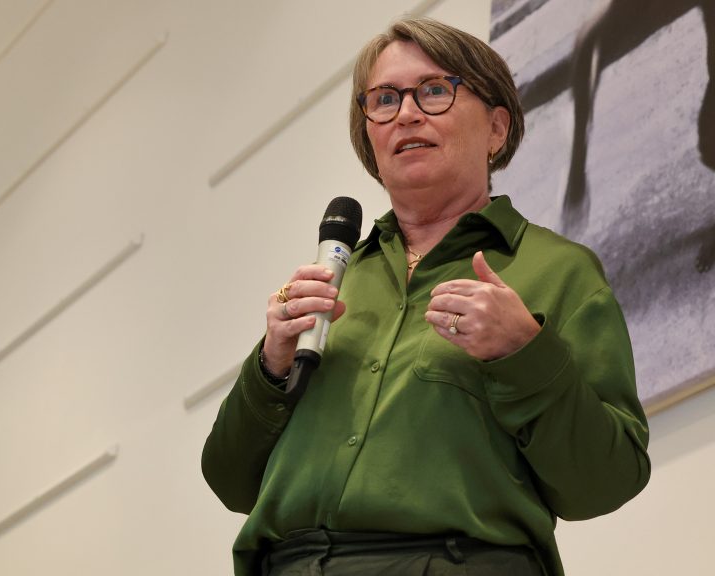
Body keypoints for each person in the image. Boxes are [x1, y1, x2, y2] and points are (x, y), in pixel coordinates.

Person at [202, 17, 650, 576]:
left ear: (496, 128)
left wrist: (524, 354)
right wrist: (271, 364)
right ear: (369, 138)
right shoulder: (332, 281)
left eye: (435, 90)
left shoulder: (557, 271)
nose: (406, 113)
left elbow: (604, 483)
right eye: (384, 99)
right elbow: (229, 480)